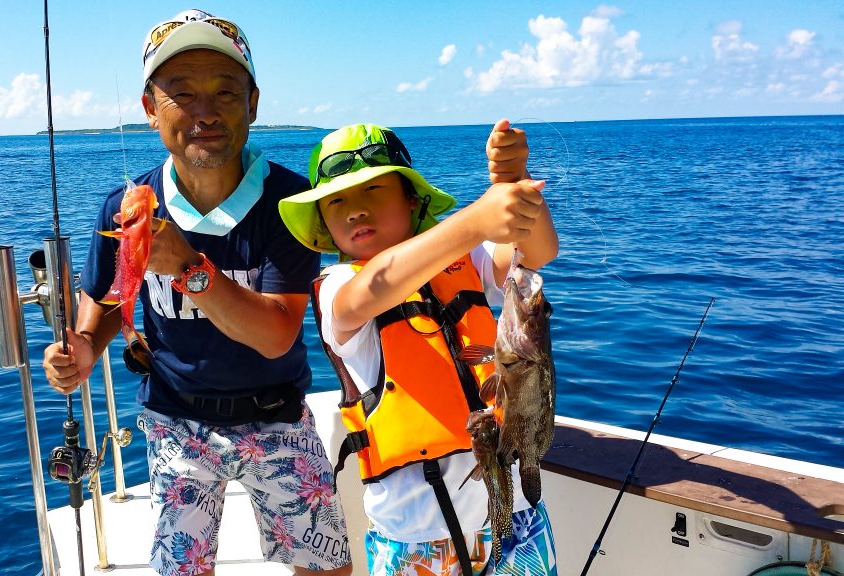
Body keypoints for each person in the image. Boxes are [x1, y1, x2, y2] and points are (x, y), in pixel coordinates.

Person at [41, 10, 354, 576]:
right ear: (150, 108)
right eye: (181, 94)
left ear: (253, 103)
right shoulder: (126, 204)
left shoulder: (291, 202)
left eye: (225, 92)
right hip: (174, 418)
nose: (204, 112)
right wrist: (84, 346)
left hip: (275, 413)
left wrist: (187, 264)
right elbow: (111, 300)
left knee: (328, 569)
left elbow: (277, 334)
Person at [277, 123, 560, 576]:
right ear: (322, 224)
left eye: (374, 190)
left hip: (516, 519)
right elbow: (376, 286)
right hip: (415, 539)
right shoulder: (339, 287)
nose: (355, 210)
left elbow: (537, 251)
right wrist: (473, 221)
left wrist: (514, 182)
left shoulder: (467, 261)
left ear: (413, 199)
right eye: (337, 200)